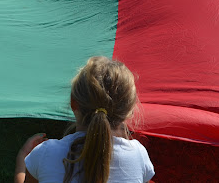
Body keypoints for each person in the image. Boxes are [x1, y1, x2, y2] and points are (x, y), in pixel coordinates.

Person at [14, 56, 154, 183]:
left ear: (73, 103)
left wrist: (23, 157)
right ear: (129, 111)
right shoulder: (138, 155)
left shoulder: (45, 153)